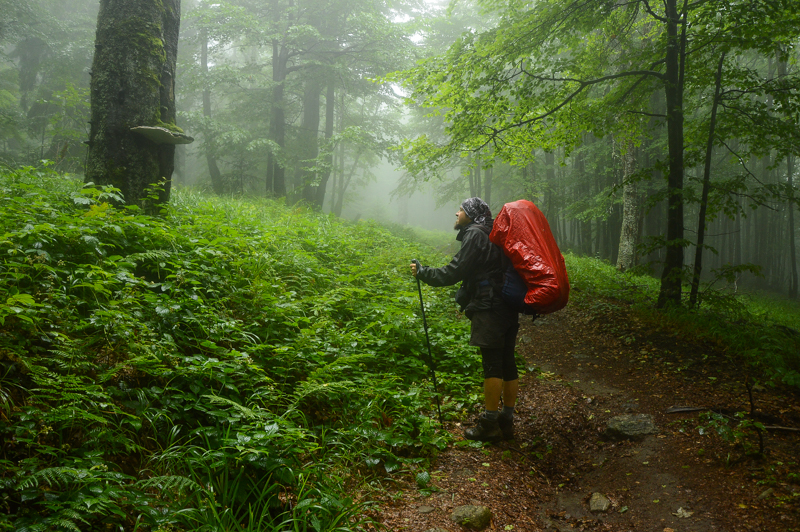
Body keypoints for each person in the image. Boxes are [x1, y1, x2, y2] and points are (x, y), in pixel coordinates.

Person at [410, 197, 520, 442]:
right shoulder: (493, 234)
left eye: (460, 210)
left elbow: (455, 270)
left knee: (492, 363)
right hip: (508, 306)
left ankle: (490, 424)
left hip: (489, 306)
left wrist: (424, 272)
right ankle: (506, 419)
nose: (456, 214)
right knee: (507, 362)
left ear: (470, 214)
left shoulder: (475, 235)